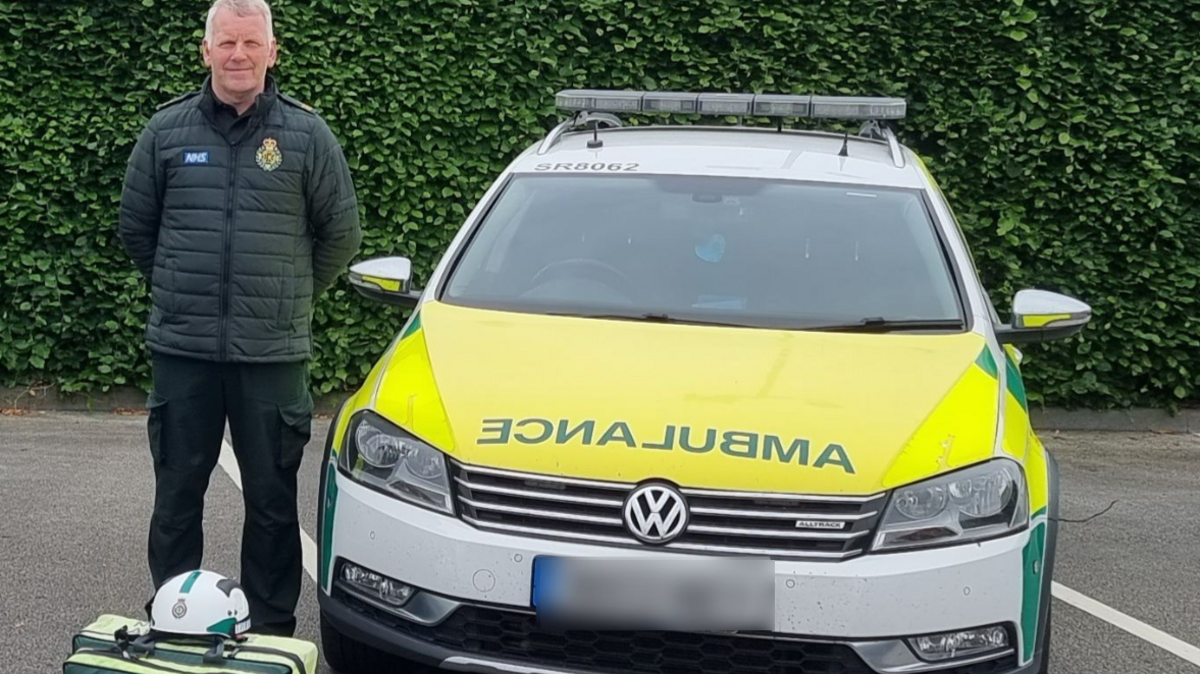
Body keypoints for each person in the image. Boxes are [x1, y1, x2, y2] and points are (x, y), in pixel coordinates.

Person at [117, 0, 362, 637]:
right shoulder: (165, 131)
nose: (238, 55)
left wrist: (287, 295)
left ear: (272, 51)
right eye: (226, 42)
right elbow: (137, 229)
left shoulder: (308, 136)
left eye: (252, 42)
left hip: (271, 356)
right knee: (176, 500)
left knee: (273, 505)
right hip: (184, 352)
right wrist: (182, 289)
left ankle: (273, 629)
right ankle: (174, 620)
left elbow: (340, 234)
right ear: (206, 51)